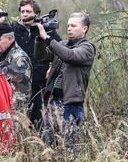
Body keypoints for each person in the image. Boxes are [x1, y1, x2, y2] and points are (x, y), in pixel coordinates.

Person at [37, 13, 96, 150]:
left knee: (68, 144)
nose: (69, 28)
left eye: (73, 26)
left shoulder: (88, 48)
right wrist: (39, 39)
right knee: (48, 142)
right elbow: (41, 56)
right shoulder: (62, 44)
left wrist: (47, 38)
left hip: (71, 102)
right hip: (53, 100)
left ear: (84, 29)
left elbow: (69, 56)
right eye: (68, 25)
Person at [7, 0, 60, 130]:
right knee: (17, 120)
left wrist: (52, 67)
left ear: (36, 13)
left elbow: (60, 50)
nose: (24, 14)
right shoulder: (13, 30)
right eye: (22, 11)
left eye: (28, 11)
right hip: (17, 84)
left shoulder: (45, 29)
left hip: (39, 83)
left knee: (38, 121)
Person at [0, 23, 32, 113]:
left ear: (10, 39)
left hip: (13, 114)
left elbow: (21, 96)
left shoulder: (19, 59)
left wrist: (9, 114)